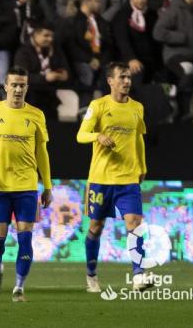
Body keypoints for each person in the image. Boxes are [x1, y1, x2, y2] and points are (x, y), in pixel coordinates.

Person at [0, 66, 53, 302]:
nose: (18, 89)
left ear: (27, 87)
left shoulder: (36, 115)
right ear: (5, 86)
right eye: (14, 84)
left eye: (22, 85)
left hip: (27, 187)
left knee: (25, 236)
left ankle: (19, 288)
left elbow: (42, 152)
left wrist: (47, 185)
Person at [76, 62, 150, 293]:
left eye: (128, 77)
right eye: (122, 77)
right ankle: (91, 276)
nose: (127, 81)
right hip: (101, 178)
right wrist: (98, 136)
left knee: (135, 224)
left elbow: (138, 138)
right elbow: (81, 135)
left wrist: (142, 165)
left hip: (128, 178)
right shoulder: (98, 106)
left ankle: (138, 275)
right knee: (96, 227)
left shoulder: (137, 107)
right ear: (110, 81)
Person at [153, 0, 193, 122]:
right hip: (176, 55)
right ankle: (176, 107)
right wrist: (181, 37)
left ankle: (181, 116)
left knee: (191, 86)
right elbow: (158, 32)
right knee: (188, 72)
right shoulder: (173, 11)